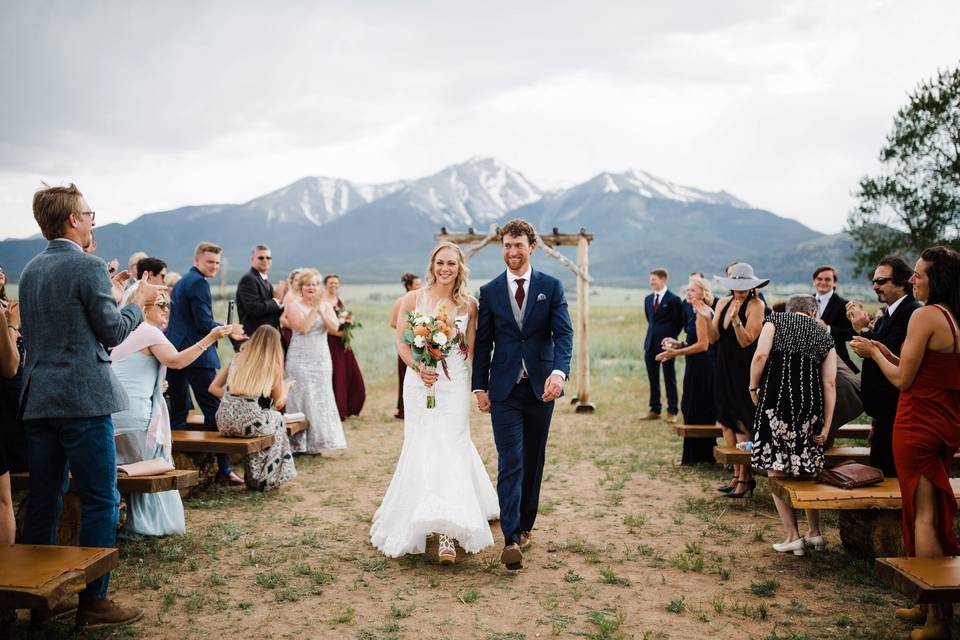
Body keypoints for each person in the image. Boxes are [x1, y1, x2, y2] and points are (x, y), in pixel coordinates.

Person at [19, 183, 163, 627]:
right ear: (73, 220)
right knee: (102, 498)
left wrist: (112, 295)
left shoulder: (29, 271)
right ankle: (94, 602)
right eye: (89, 214)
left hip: (39, 399)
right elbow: (113, 334)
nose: (92, 220)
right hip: (83, 400)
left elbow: (69, 329)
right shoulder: (87, 266)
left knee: (44, 499)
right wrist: (136, 304)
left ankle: (37, 601)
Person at [851, 246, 960, 638]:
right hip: (942, 421)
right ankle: (927, 602)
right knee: (925, 512)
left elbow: (901, 380)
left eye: (918, 274)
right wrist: (879, 348)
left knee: (924, 517)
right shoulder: (950, 316)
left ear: (937, 279)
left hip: (917, 423)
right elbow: (916, 368)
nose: (912, 280)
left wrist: (873, 355)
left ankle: (938, 620)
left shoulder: (925, 315)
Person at [371, 244, 498, 562]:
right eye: (440, 262)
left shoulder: (469, 304)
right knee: (422, 444)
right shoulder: (413, 299)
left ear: (460, 267)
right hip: (419, 381)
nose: (445, 268)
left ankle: (447, 532)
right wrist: (418, 367)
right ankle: (419, 515)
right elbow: (402, 339)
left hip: (453, 382)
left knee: (452, 445)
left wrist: (481, 385)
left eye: (451, 263)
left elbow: (471, 348)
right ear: (432, 265)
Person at [473, 218, 574, 570]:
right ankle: (511, 538)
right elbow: (483, 342)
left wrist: (559, 374)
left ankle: (526, 524)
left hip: (541, 389)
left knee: (533, 459)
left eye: (518, 245)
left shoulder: (552, 286)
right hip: (503, 390)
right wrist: (479, 386)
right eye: (507, 245)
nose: (512, 252)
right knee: (511, 460)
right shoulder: (489, 292)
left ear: (531, 248)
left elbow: (563, 335)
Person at [111, 294, 232, 535]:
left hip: (113, 416)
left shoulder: (116, 331)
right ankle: (147, 525)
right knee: (148, 465)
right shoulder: (148, 330)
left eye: (169, 304)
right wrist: (210, 338)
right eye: (161, 305)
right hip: (136, 418)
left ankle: (121, 521)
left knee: (124, 467)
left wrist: (157, 385)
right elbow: (176, 361)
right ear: (142, 308)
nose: (167, 310)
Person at [750, 295, 837, 556]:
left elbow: (760, 355)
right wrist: (826, 426)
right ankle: (815, 534)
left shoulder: (775, 320)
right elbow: (830, 384)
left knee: (776, 468)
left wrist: (753, 386)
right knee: (808, 468)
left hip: (777, 401)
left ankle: (792, 536)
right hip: (810, 407)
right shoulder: (824, 336)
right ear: (812, 312)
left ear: (790, 310)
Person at [166, 242, 245, 485]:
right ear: (197, 260)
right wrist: (229, 329)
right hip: (197, 353)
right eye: (210, 262)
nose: (214, 267)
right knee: (213, 408)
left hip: (175, 350)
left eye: (217, 263)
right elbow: (202, 322)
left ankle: (173, 465)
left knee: (178, 410)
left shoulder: (183, 282)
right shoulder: (198, 283)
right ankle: (222, 468)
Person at [846, 255, 922, 476]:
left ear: (901, 282)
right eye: (873, 281)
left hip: (897, 408)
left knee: (890, 471)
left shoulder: (911, 311)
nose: (874, 286)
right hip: (883, 411)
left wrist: (863, 329)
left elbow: (891, 351)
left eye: (881, 281)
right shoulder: (890, 313)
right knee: (880, 465)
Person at [209, 326, 297, 491]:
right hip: (249, 422)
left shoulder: (237, 358)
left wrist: (233, 402)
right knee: (277, 420)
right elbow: (279, 403)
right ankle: (264, 478)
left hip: (223, 421)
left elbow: (213, 388)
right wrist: (287, 387)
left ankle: (256, 476)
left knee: (266, 422)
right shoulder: (272, 365)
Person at [708, 262, 768, 499]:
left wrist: (735, 321)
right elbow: (713, 338)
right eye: (735, 286)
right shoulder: (722, 302)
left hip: (744, 368)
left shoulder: (757, 305)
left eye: (743, 286)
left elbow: (747, 341)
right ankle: (734, 475)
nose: (739, 290)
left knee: (743, 422)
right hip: (723, 367)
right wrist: (705, 318)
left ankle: (746, 477)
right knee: (726, 421)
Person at [283, 269, 346, 454]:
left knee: (320, 396)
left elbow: (335, 328)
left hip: (321, 358)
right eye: (308, 284)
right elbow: (302, 328)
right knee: (301, 396)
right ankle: (298, 444)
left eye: (315, 284)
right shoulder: (294, 305)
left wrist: (322, 310)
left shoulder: (325, 305)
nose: (312, 288)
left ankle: (319, 442)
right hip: (300, 357)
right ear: (301, 288)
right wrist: (313, 310)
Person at [656, 275, 716, 464]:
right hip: (696, 364)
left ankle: (700, 455)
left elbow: (704, 345)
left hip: (702, 367)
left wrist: (675, 353)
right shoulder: (695, 311)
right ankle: (698, 454)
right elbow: (693, 341)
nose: (687, 293)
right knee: (692, 407)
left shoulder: (702, 313)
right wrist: (678, 343)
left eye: (692, 290)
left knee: (696, 407)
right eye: (687, 290)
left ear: (702, 293)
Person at [320, 274, 366, 420]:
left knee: (351, 373)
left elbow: (344, 318)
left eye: (336, 283)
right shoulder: (322, 301)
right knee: (336, 374)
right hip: (329, 341)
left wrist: (348, 326)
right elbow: (323, 324)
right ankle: (337, 409)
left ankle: (349, 405)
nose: (333, 285)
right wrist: (337, 333)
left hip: (343, 342)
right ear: (325, 284)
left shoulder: (340, 300)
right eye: (331, 283)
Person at [642, 268, 684, 422]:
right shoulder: (647, 299)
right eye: (650, 279)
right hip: (650, 343)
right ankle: (655, 409)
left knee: (669, 377)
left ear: (664, 279)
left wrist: (672, 339)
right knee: (653, 378)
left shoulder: (674, 299)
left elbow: (679, 322)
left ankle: (672, 410)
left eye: (654, 279)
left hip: (667, 345)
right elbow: (650, 320)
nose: (651, 282)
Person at [234, 245, 286, 350]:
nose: (265, 260)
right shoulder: (248, 279)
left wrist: (284, 302)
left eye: (268, 258)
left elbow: (271, 311)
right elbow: (253, 308)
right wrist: (276, 300)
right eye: (261, 257)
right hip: (254, 339)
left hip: (267, 339)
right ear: (252, 260)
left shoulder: (265, 281)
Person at [812, 265, 859, 374]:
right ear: (814, 281)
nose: (823, 282)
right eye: (819, 279)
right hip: (811, 359)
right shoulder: (806, 302)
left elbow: (852, 333)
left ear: (834, 283)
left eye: (828, 279)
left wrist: (828, 329)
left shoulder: (844, 305)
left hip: (837, 360)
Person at [390, 272, 422, 419]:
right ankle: (404, 409)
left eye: (420, 284)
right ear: (409, 286)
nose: (419, 287)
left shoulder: (423, 299)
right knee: (405, 376)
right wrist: (409, 330)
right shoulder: (401, 301)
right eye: (416, 285)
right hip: (406, 344)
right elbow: (393, 322)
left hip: (422, 343)